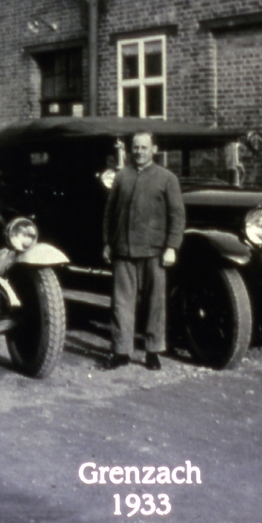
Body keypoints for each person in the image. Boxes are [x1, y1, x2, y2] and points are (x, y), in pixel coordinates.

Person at [102, 132, 186, 371]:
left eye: (144, 147)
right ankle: (121, 352)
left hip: (154, 252)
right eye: (135, 148)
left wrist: (171, 247)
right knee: (121, 304)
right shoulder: (121, 177)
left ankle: (153, 352)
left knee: (155, 304)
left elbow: (177, 216)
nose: (139, 151)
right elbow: (110, 213)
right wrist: (108, 243)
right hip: (123, 251)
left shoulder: (167, 178)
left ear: (154, 149)